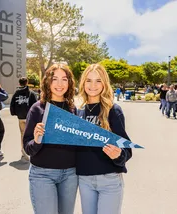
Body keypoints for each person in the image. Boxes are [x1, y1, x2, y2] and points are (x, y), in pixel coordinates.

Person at [77, 64, 132, 214]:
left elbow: (127, 150)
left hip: (109, 180)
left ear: (104, 83)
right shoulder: (78, 112)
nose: (93, 85)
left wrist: (119, 155)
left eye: (98, 81)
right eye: (89, 80)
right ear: (83, 83)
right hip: (85, 180)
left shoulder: (113, 110)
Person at [23, 64, 78, 214]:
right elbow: (28, 148)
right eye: (55, 79)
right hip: (42, 174)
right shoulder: (37, 109)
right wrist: (36, 140)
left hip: (70, 175)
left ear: (69, 83)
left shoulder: (73, 110)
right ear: (47, 82)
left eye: (64, 79)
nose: (59, 84)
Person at [10, 77, 38, 161]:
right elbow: (36, 105)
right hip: (30, 117)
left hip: (21, 117)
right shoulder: (31, 93)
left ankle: (23, 151)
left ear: (19, 84)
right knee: (32, 133)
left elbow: (12, 104)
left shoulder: (16, 93)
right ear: (27, 83)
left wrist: (15, 113)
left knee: (23, 134)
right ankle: (32, 150)